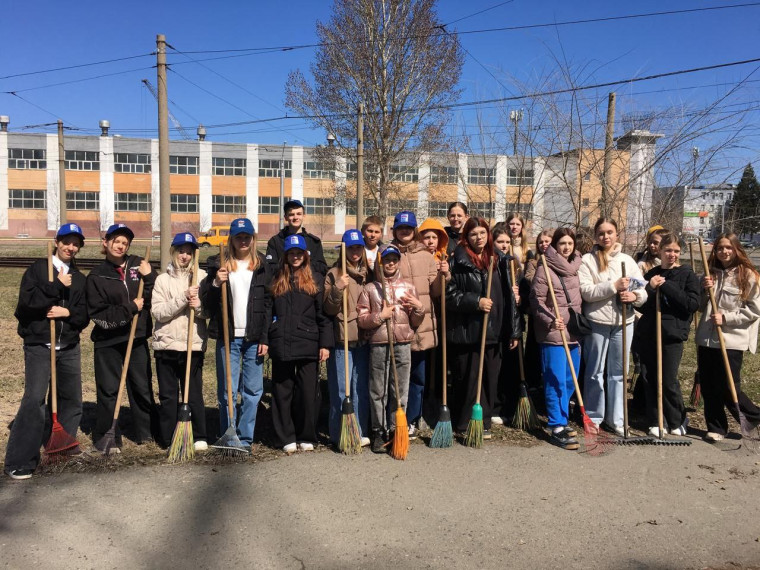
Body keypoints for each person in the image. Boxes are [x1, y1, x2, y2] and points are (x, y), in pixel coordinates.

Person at [4, 224, 89, 480]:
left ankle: (60, 447)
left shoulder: (80, 277)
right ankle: (19, 461)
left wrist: (69, 313)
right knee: (34, 400)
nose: (70, 247)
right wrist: (55, 287)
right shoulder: (39, 269)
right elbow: (25, 306)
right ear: (56, 241)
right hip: (40, 345)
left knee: (72, 400)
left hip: (69, 347)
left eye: (75, 244)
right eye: (66, 242)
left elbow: (84, 315)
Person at [446, 217, 522, 439]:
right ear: (466, 238)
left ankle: (483, 422)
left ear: (487, 235)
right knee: (468, 379)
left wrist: (514, 330)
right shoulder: (457, 262)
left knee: (490, 378)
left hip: (495, 329)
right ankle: (463, 424)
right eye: (473, 234)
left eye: (482, 233)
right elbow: (450, 297)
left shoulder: (500, 261)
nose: (478, 238)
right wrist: (475, 301)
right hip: (469, 331)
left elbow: (510, 299)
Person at [200, 218, 270, 449]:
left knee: (252, 390)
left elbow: (269, 305)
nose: (243, 240)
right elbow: (207, 305)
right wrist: (215, 284)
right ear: (231, 238)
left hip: (254, 338)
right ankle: (228, 435)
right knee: (227, 390)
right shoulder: (217, 265)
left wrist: (265, 338)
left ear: (252, 238)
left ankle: (246, 438)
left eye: (246, 236)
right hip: (228, 337)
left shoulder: (262, 267)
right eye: (238, 236)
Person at [88, 223, 157, 450]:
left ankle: (146, 433)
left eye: (125, 243)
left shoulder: (139, 265)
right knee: (109, 390)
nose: (120, 246)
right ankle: (107, 436)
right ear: (106, 243)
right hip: (108, 341)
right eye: (116, 241)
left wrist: (151, 277)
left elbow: (154, 295)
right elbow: (99, 314)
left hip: (136, 339)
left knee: (141, 388)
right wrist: (130, 309)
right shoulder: (97, 275)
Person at [263, 234, 332, 453]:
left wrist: (325, 344)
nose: (295, 257)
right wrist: (265, 338)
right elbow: (267, 311)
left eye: (298, 253)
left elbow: (324, 316)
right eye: (291, 253)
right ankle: (285, 436)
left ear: (305, 255)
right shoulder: (276, 279)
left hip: (308, 343)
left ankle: (306, 434)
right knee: (282, 391)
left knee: (307, 392)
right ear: (285, 255)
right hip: (281, 342)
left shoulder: (315, 279)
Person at [578, 218, 646, 435]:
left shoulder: (628, 261)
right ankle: (594, 416)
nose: (605, 237)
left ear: (617, 234)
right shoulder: (588, 260)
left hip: (623, 323)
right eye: (601, 233)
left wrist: (633, 295)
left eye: (610, 232)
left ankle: (616, 418)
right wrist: (613, 286)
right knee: (594, 371)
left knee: (618, 372)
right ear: (595, 236)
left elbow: (643, 291)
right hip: (597, 322)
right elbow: (586, 292)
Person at [357, 245, 425, 453]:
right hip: (379, 343)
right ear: (381, 262)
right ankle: (379, 431)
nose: (391, 263)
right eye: (387, 259)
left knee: (400, 389)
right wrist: (380, 317)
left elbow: (415, 322)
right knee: (378, 390)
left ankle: (397, 429)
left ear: (398, 262)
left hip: (402, 343)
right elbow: (361, 319)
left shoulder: (408, 288)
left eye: (394, 259)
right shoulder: (371, 289)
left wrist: (419, 308)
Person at [696, 232, 760, 443]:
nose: (724, 251)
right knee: (708, 384)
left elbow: (754, 310)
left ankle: (754, 417)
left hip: (731, 339)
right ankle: (716, 427)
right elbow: (699, 305)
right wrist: (704, 289)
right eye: (720, 248)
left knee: (728, 385)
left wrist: (727, 318)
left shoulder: (748, 275)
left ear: (736, 249)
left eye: (728, 247)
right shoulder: (709, 273)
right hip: (707, 338)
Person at [636, 232, 700, 437]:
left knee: (669, 379)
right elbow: (642, 305)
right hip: (649, 333)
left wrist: (667, 285)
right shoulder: (651, 274)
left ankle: (677, 419)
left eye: (676, 251)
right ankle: (656, 419)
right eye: (668, 250)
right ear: (660, 251)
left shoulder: (687, 274)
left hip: (672, 333)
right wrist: (651, 288)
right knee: (649, 377)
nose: (671, 254)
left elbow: (691, 305)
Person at [151, 233, 208, 451]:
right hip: (166, 346)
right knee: (168, 395)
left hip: (191, 345)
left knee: (193, 393)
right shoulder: (162, 280)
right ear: (174, 252)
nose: (184, 256)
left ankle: (200, 435)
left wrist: (198, 305)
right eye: (181, 251)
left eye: (189, 251)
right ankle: (168, 437)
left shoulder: (201, 277)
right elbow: (159, 312)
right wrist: (183, 297)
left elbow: (208, 312)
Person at [390, 211, 443, 438]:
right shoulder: (388, 254)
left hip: (421, 327)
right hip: (397, 324)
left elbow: (436, 291)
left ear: (414, 231)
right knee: (396, 377)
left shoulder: (426, 256)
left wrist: (443, 276)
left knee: (418, 377)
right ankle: (394, 418)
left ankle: (412, 417)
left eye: (409, 228)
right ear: (395, 230)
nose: (405, 231)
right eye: (401, 228)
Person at [530, 228, 582, 449]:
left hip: (574, 332)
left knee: (571, 379)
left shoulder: (578, 268)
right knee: (555, 379)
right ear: (555, 246)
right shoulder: (544, 269)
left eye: (570, 243)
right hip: (554, 332)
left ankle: (563, 416)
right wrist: (551, 320)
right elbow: (536, 301)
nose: (567, 247)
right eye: (562, 243)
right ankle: (556, 424)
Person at [323, 229, 373, 448]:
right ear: (343, 250)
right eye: (350, 248)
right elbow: (328, 308)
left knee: (360, 388)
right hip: (342, 339)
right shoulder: (334, 274)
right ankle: (339, 433)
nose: (355, 252)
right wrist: (337, 289)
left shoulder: (369, 273)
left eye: (358, 247)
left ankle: (359, 431)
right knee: (341, 389)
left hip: (364, 339)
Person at [265, 199, 327, 278]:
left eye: (299, 214)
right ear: (286, 217)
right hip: (283, 287)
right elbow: (270, 269)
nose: (295, 217)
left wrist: (304, 264)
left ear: (304, 216)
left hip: (308, 287)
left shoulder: (313, 242)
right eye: (291, 214)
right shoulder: (275, 241)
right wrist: (289, 265)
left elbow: (322, 268)